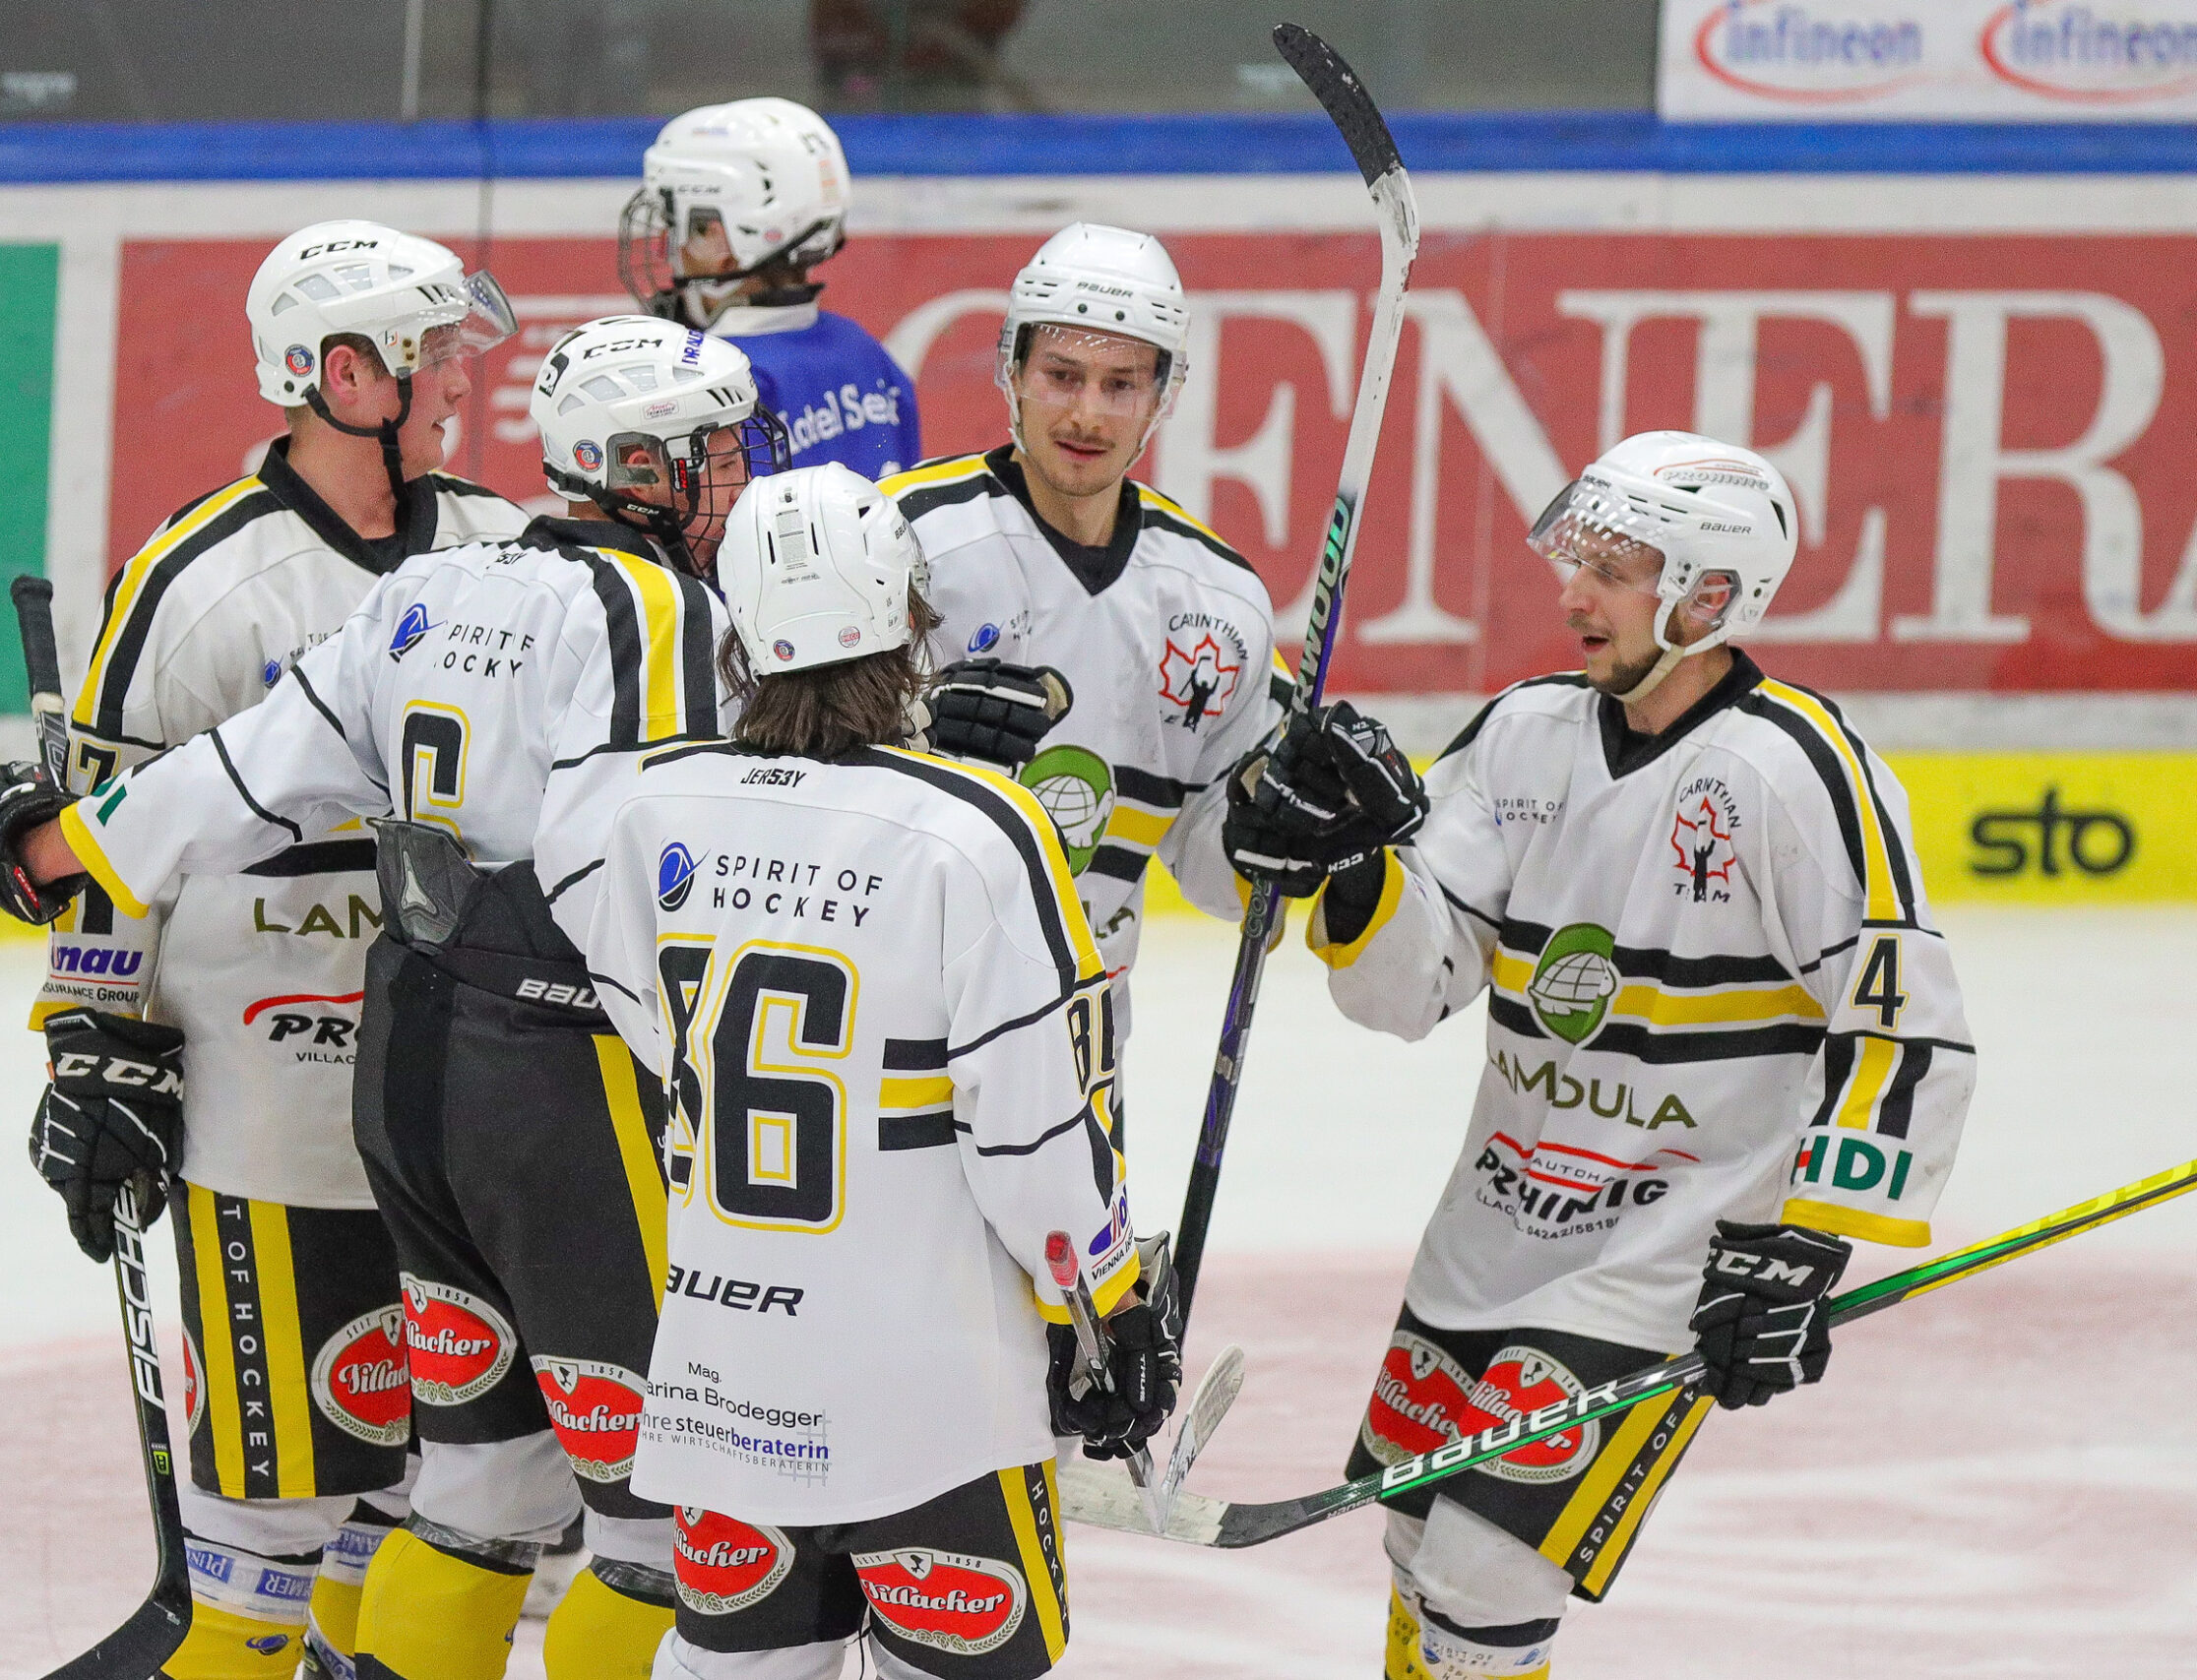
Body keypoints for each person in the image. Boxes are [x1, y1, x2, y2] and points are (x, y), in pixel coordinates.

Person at [0, 315, 785, 1680]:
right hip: (566, 1088)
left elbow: (247, 771)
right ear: (638, 467)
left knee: (476, 1495)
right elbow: (617, 871)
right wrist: (707, 1081)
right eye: (715, 455)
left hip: (410, 1068)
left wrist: (58, 845)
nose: (737, 482)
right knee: (665, 1526)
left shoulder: (438, 586)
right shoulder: (662, 612)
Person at [1224, 432, 1976, 1680]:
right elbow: (1412, 985)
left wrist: (1804, 1244)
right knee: (1414, 1536)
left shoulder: (1791, 769)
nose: (1572, 593)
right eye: (1578, 560)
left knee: (1485, 1574)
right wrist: (1355, 870)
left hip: (1661, 1251)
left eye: (1614, 571)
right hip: (1492, 1229)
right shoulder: (1524, 732)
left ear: (1710, 596)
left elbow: (1902, 1024)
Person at [540, 464, 1177, 1680]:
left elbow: (657, 1029)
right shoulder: (974, 829)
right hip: (927, 1400)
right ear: (905, 617)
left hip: (725, 1381)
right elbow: (1031, 1138)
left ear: (738, 629)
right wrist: (1109, 1304)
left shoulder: (655, 808)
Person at [16, 218, 527, 1679]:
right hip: (272, 1112)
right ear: (344, 374)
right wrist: (95, 1043)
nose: (460, 383)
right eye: (433, 355)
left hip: (461, 1110)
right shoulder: (199, 579)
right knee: (273, 1516)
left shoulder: (505, 551)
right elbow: (104, 849)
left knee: (421, 1506)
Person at [883, 223, 1283, 1114]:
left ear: (1163, 394)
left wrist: (1283, 832)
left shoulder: (1219, 599)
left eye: (1121, 384)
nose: (1087, 416)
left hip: (1080, 1047)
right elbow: (778, 775)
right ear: (1011, 371)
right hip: (892, 1017)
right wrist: (904, 737)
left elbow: (1220, 878)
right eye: (1061, 375)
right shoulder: (897, 540)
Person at [621, 95, 919, 479]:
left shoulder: (716, 383)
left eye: (680, 227)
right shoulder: (864, 350)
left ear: (721, 243)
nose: (670, 246)